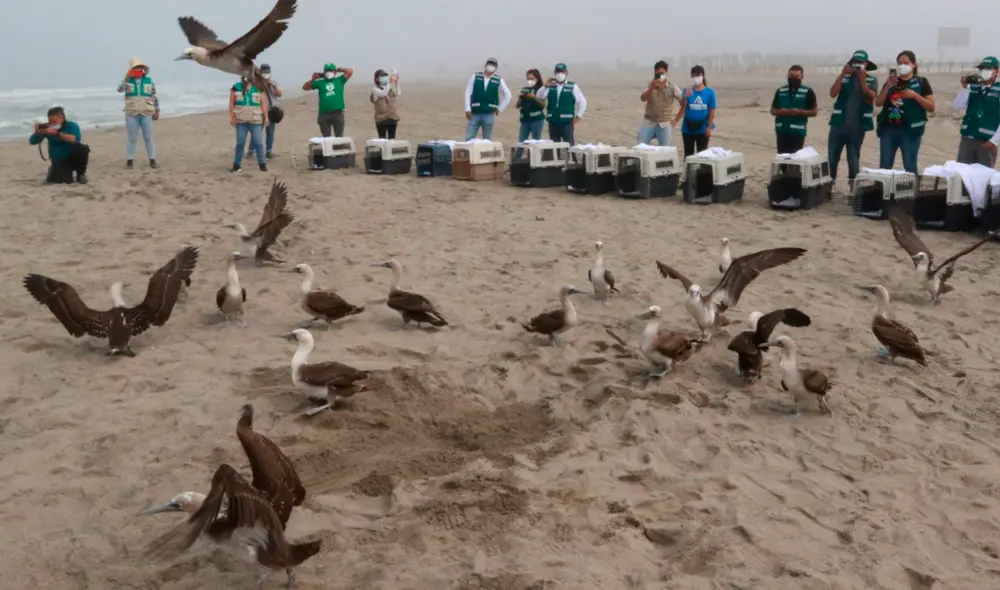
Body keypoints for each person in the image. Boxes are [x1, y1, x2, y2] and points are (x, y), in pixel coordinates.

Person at [875, 51, 935, 173]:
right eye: (900, 63)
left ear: (914, 65)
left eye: (906, 63)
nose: (903, 65)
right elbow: (878, 103)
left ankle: (912, 191)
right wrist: (887, 86)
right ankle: (883, 190)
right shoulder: (891, 82)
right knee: (884, 166)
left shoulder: (921, 82)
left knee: (910, 166)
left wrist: (914, 96)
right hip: (889, 129)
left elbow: (931, 107)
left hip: (910, 131)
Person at [828, 50, 878, 190]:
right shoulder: (845, 78)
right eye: (855, 62)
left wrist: (862, 80)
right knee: (832, 159)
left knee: (853, 159)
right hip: (838, 125)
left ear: (866, 64)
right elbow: (832, 93)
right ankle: (829, 187)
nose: (857, 65)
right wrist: (842, 74)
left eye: (861, 63)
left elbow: (870, 98)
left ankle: (853, 189)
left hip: (857, 127)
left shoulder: (871, 80)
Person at [954, 56, 1000, 168]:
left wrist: (994, 141)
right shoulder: (973, 87)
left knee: (983, 177)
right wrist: (964, 88)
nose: (984, 71)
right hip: (968, 139)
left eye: (988, 68)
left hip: (987, 142)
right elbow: (957, 106)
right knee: (962, 174)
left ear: (997, 71)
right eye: (982, 68)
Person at [117, 57, 159, 169]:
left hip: (146, 113)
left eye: (139, 68)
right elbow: (119, 90)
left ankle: (152, 160)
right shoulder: (128, 82)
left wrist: (157, 110)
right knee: (132, 138)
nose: (138, 70)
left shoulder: (149, 81)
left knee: (148, 138)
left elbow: (154, 96)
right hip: (132, 114)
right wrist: (125, 79)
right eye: (135, 68)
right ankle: (129, 161)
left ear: (143, 69)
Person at [29, 106, 89, 184]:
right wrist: (37, 133)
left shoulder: (72, 125)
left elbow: (73, 139)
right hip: (59, 160)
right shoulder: (47, 127)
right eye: (50, 121)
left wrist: (57, 133)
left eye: (54, 121)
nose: (51, 123)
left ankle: (81, 174)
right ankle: (54, 169)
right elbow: (32, 141)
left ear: (62, 118)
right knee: (65, 180)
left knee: (82, 148)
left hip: (72, 157)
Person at [771, 65, 818, 154]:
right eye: (791, 76)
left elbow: (814, 112)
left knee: (795, 161)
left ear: (802, 77)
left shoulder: (808, 91)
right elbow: (773, 110)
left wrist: (800, 112)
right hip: (781, 132)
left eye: (796, 76)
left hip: (798, 133)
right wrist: (783, 112)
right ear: (787, 76)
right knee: (782, 160)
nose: (793, 78)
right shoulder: (780, 91)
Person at [537, 63, 587, 146]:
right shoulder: (550, 86)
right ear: (554, 73)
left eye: (562, 72)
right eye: (558, 72)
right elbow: (539, 96)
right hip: (553, 122)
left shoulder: (572, 86)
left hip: (567, 123)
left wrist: (578, 116)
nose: (560, 74)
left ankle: (572, 159)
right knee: (554, 147)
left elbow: (582, 102)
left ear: (566, 73)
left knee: (569, 146)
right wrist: (545, 86)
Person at [463, 58, 512, 141]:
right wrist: (467, 109)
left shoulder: (498, 80)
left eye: (493, 65)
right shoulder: (475, 76)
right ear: (485, 65)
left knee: (487, 139)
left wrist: (500, 109)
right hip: (474, 113)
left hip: (489, 114)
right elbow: (468, 92)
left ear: (496, 68)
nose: (491, 67)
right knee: (469, 138)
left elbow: (508, 95)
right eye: (489, 64)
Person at [674, 65, 716, 158]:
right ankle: (688, 172)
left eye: (698, 75)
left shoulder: (710, 92)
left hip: (702, 129)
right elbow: (682, 106)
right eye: (694, 75)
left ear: (703, 76)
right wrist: (685, 97)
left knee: (702, 155)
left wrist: (709, 127)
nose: (696, 77)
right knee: (688, 154)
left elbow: (712, 111)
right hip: (688, 129)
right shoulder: (687, 90)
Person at [638, 60, 683, 146]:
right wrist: (652, 88)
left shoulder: (672, 86)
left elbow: (684, 103)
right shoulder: (650, 84)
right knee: (640, 147)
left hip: (664, 124)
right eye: (658, 74)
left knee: (666, 151)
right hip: (649, 122)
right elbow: (643, 98)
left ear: (666, 73)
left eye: (662, 73)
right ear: (654, 73)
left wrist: (676, 119)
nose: (660, 76)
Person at [302, 63, 354, 137]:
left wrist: (339, 69)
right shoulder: (320, 82)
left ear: (334, 71)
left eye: (331, 70)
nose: (329, 72)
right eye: (327, 70)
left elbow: (350, 71)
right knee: (326, 139)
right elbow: (305, 87)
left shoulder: (339, 80)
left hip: (337, 113)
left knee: (339, 138)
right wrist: (313, 79)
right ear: (324, 72)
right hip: (324, 114)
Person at [229, 77, 269, 173]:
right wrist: (232, 117)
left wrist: (266, 117)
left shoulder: (259, 87)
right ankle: (236, 165)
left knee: (259, 143)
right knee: (240, 143)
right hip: (241, 120)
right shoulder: (236, 87)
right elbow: (231, 102)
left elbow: (263, 104)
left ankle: (262, 164)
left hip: (256, 120)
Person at [248, 63, 281, 159]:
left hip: (271, 111)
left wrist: (273, 86)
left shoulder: (273, 82)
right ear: (260, 73)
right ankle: (251, 150)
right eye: (264, 73)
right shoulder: (255, 83)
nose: (266, 74)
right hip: (259, 110)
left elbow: (279, 94)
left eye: (267, 72)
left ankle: (269, 151)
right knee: (256, 132)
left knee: (270, 132)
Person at [516, 69, 546, 143]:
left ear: (537, 78)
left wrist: (534, 98)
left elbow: (543, 105)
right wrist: (520, 98)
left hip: (537, 120)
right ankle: (517, 155)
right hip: (525, 120)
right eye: (528, 79)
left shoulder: (541, 89)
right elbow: (517, 106)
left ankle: (535, 155)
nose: (529, 81)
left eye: (532, 79)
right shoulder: (524, 89)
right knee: (521, 142)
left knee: (536, 142)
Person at [371, 69, 401, 139]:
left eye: (385, 76)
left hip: (392, 117)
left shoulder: (389, 87)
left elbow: (398, 93)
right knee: (382, 140)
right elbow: (383, 93)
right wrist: (390, 82)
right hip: (381, 119)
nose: (384, 78)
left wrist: (396, 82)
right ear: (376, 79)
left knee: (392, 139)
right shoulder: (375, 89)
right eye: (382, 76)